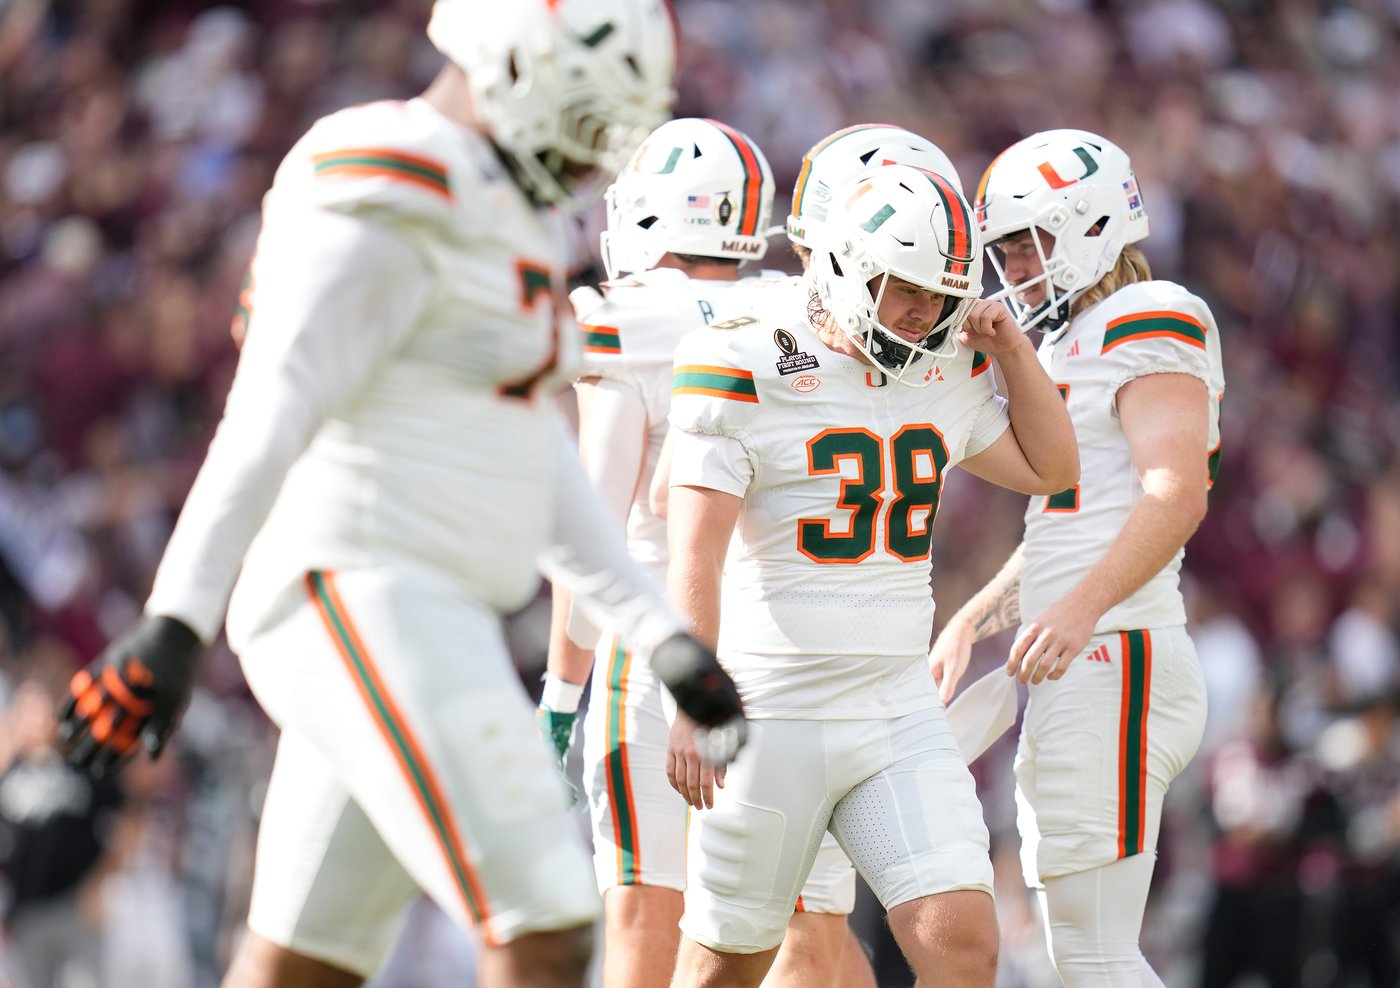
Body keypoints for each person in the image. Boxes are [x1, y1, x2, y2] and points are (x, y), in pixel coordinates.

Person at [53, 3, 749, 988]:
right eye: (584, 117)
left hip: (424, 602)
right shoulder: (389, 169)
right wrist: (174, 621)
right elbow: (271, 408)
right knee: (548, 920)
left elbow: (532, 457)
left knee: (304, 965)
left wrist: (667, 642)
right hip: (357, 583)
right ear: (512, 60)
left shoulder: (512, 212)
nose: (591, 157)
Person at [664, 162, 1080, 987]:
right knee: (727, 968)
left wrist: (1013, 351)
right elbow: (696, 551)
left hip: (894, 705)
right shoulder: (742, 357)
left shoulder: (946, 365)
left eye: (942, 294)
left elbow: (1052, 467)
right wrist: (695, 699)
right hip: (772, 704)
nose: (927, 312)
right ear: (852, 268)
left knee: (964, 943)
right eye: (909, 290)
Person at [536, 117, 876, 988]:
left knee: (648, 926)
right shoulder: (799, 308)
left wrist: (561, 698)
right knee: (813, 934)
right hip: (786, 647)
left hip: (657, 656)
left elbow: (591, 535)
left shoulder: (624, 318)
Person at [929, 128, 1226, 986]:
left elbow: (1176, 493)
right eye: (1006, 249)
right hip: (1085, 658)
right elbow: (1066, 530)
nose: (1017, 267)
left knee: (1094, 959)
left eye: (1032, 241)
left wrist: (1084, 609)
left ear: (1094, 222)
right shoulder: (1061, 343)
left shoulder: (1147, 313)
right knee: (1072, 961)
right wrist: (974, 621)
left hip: (1119, 653)